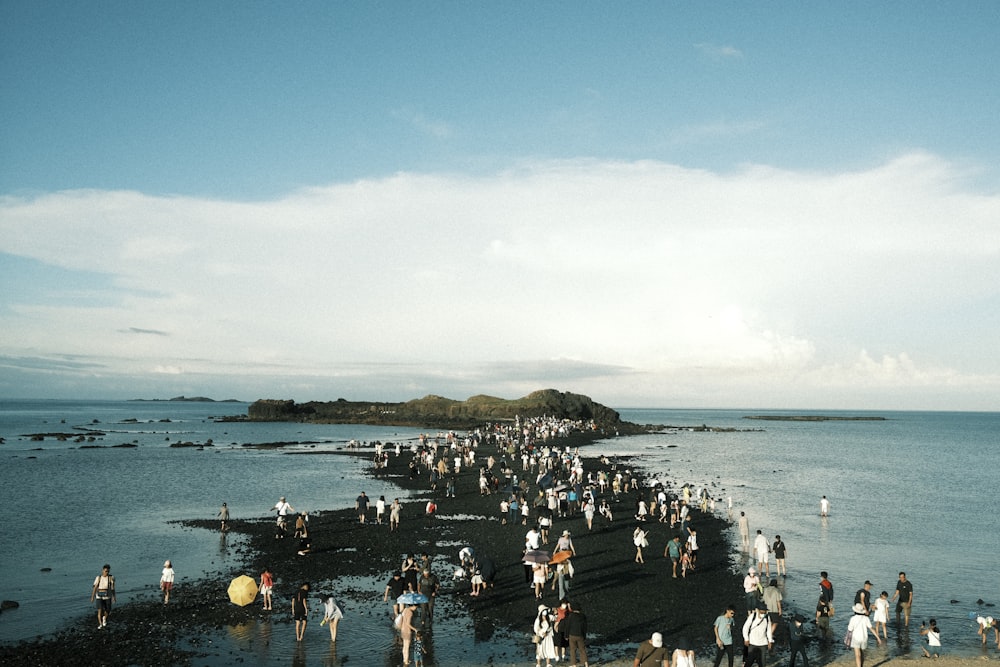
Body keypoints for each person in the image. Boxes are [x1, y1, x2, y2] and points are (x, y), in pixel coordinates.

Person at [847, 602, 880, 667]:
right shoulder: (866, 618)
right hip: (864, 638)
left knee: (857, 655)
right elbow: (871, 629)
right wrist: (878, 638)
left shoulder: (853, 619)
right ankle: (861, 665)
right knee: (862, 653)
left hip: (856, 638)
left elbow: (850, 629)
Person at [90, 563, 115, 629]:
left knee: (108, 610)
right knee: (100, 610)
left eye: (108, 571)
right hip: (99, 596)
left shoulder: (111, 578)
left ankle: (104, 618)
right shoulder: (98, 578)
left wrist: (114, 597)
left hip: (108, 596)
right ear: (102, 570)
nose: (107, 572)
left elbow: (112, 588)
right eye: (106, 571)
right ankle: (100, 624)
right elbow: (95, 588)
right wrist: (92, 597)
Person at [564, 602, 588, 667]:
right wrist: (584, 635)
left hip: (572, 635)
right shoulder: (583, 616)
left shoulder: (571, 616)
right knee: (582, 649)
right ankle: (585, 663)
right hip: (580, 635)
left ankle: (573, 664)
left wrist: (566, 635)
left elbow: (568, 626)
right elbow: (585, 627)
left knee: (572, 650)